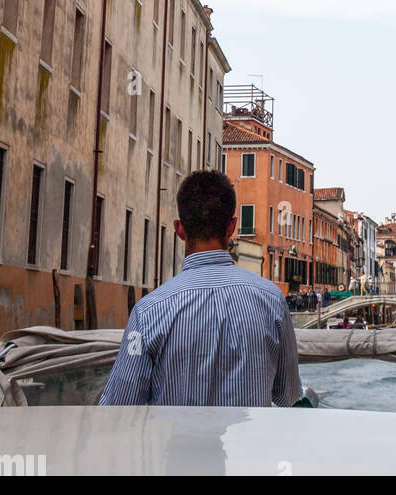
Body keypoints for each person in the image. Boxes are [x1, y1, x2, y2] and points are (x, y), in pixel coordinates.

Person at [99, 169, 301, 408]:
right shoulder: (272, 300)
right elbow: (288, 396)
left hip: (174, 446)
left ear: (180, 229)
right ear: (231, 227)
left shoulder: (148, 311)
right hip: (248, 445)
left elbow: (120, 406)